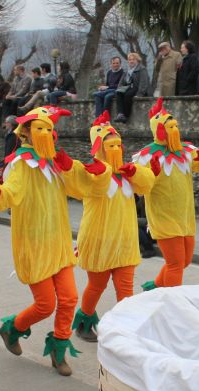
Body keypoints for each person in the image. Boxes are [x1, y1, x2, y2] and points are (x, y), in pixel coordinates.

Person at [0, 106, 110, 376]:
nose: (46, 133)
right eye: (40, 128)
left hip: (59, 242)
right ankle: (12, 328)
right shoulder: (21, 163)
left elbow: (79, 188)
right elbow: (11, 191)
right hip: (34, 244)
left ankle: (58, 349)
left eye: (50, 129)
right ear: (25, 132)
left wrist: (81, 169)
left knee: (69, 298)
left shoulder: (53, 161)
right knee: (45, 304)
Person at [71, 111, 155, 342]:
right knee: (97, 286)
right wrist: (97, 173)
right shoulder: (93, 175)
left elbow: (147, 184)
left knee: (125, 287)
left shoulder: (128, 174)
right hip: (99, 240)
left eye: (119, 144)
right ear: (99, 149)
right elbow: (77, 181)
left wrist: (134, 170)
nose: (117, 149)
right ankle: (84, 321)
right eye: (111, 146)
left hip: (125, 240)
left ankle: (126, 330)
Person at [131, 98, 199, 290]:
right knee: (176, 264)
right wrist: (151, 173)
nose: (175, 129)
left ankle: (155, 285)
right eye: (170, 127)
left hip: (185, 216)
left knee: (183, 261)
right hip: (164, 217)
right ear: (159, 130)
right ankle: (171, 304)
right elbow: (139, 185)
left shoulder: (185, 150)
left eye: (175, 125)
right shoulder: (146, 155)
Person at [113, 52, 150, 123]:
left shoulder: (142, 69)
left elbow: (143, 83)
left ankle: (125, 115)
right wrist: (118, 90)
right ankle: (120, 114)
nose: (131, 61)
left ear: (137, 60)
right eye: (130, 59)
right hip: (128, 88)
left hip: (137, 88)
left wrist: (140, 94)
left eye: (133, 59)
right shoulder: (127, 70)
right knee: (118, 93)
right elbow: (121, 82)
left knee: (128, 95)